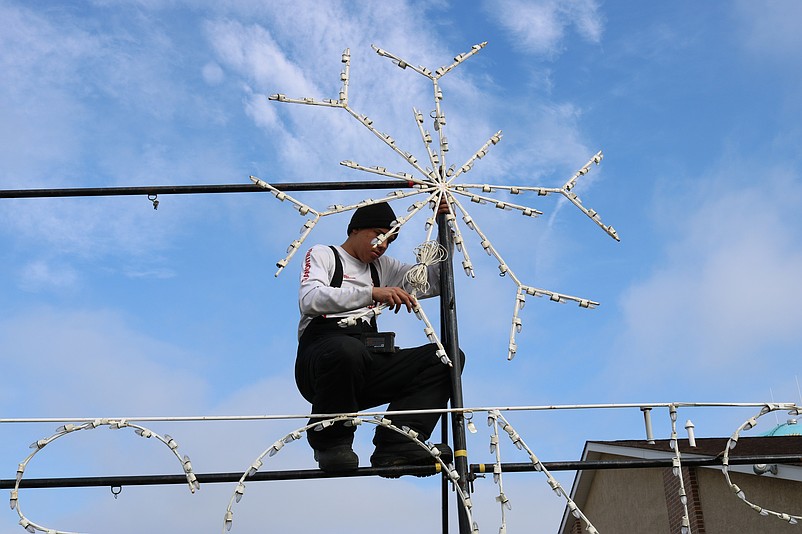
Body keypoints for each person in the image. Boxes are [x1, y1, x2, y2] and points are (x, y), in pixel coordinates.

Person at [294, 200, 462, 473]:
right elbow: (311, 299)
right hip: (322, 360)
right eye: (378, 235)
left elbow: (436, 281)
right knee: (347, 351)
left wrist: (448, 227)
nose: (383, 244)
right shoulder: (325, 254)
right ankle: (331, 442)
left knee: (444, 359)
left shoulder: (383, 267)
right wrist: (372, 293)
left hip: (364, 361)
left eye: (390, 240)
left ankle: (398, 442)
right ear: (355, 230)